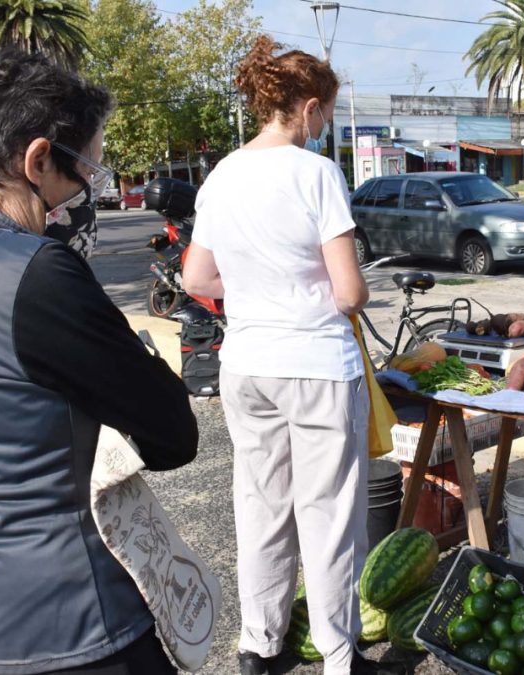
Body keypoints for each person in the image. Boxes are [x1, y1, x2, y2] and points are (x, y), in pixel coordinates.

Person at [0, 51, 198, 673]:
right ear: (38, 161)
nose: (87, 193)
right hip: (71, 628)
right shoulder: (36, 272)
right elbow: (172, 436)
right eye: (87, 172)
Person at [182, 36, 400, 675]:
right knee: (329, 515)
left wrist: (258, 290)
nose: (325, 125)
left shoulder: (222, 174)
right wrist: (309, 292)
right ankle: (339, 655)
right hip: (315, 367)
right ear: (307, 108)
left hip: (247, 365)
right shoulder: (316, 173)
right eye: (325, 114)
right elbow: (351, 292)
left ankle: (260, 645)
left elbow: (197, 278)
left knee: (261, 507)